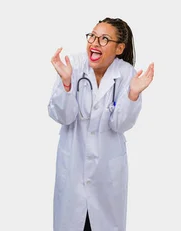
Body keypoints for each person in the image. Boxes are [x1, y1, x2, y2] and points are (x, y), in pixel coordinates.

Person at [48, 17, 154, 231]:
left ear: (119, 48)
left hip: (107, 175)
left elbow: (120, 124)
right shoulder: (73, 66)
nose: (95, 43)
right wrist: (67, 83)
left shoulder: (126, 75)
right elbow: (62, 116)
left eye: (104, 39)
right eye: (93, 36)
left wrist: (132, 94)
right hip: (73, 169)